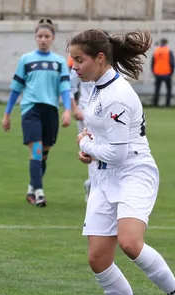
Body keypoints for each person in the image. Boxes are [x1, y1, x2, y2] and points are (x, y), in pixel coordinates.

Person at [70, 29, 175, 295]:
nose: (74, 66)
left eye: (79, 60)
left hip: (133, 172)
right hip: (104, 176)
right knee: (98, 259)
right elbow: (103, 139)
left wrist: (86, 146)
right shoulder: (97, 86)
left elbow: (117, 154)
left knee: (130, 243)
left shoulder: (117, 95)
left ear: (100, 58)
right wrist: (89, 147)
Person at [2, 18, 72, 207]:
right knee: (36, 150)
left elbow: (65, 88)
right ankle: (39, 193)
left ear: (53, 38)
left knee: (44, 155)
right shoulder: (26, 60)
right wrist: (7, 113)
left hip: (50, 110)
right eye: (40, 36)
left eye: (46, 36)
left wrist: (67, 109)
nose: (43, 39)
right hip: (31, 109)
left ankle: (31, 188)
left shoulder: (59, 62)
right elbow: (16, 89)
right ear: (35, 38)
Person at [69, 31, 108, 202]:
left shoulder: (111, 71)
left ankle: (94, 185)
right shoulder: (80, 67)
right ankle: (94, 186)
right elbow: (69, 88)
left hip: (106, 114)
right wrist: (75, 108)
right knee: (91, 151)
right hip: (86, 112)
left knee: (103, 149)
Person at [151, 38, 174, 107]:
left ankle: (155, 103)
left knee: (157, 89)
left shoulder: (156, 51)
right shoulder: (168, 51)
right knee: (168, 89)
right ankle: (167, 104)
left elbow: (152, 63)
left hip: (157, 73)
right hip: (167, 73)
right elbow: (172, 63)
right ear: (166, 43)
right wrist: (171, 72)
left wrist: (154, 72)